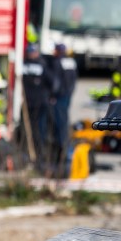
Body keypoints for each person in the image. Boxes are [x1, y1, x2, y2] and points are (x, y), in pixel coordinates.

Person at [21, 42, 55, 175]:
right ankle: (30, 156)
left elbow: (52, 82)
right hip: (27, 104)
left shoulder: (41, 65)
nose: (31, 54)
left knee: (39, 132)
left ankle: (39, 157)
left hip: (39, 104)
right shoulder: (25, 64)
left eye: (33, 52)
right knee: (27, 131)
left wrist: (49, 96)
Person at [48, 43, 78, 177]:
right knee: (64, 123)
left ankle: (61, 155)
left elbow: (56, 82)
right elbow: (73, 81)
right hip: (67, 96)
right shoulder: (71, 62)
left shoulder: (57, 62)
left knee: (58, 126)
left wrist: (53, 96)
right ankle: (65, 152)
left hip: (59, 97)